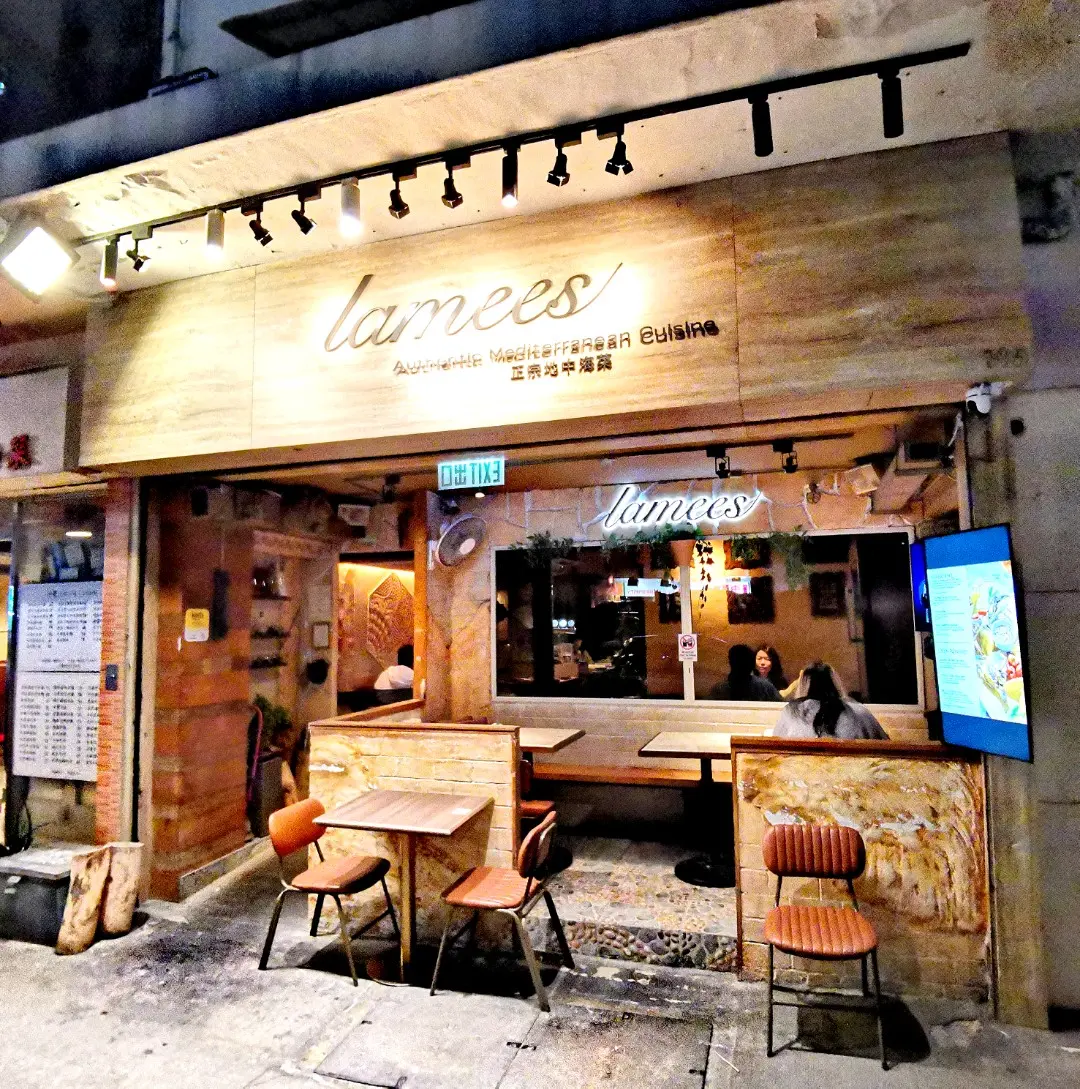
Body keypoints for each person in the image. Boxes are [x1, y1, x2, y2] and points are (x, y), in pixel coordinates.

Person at [773, 661, 888, 739]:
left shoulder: (791, 712)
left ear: (803, 685)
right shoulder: (858, 711)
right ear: (834, 683)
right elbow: (884, 744)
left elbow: (777, 745)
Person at [710, 643, 781, 701]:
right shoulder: (765, 687)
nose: (762, 663)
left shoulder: (765, 687)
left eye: (767, 659)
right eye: (759, 658)